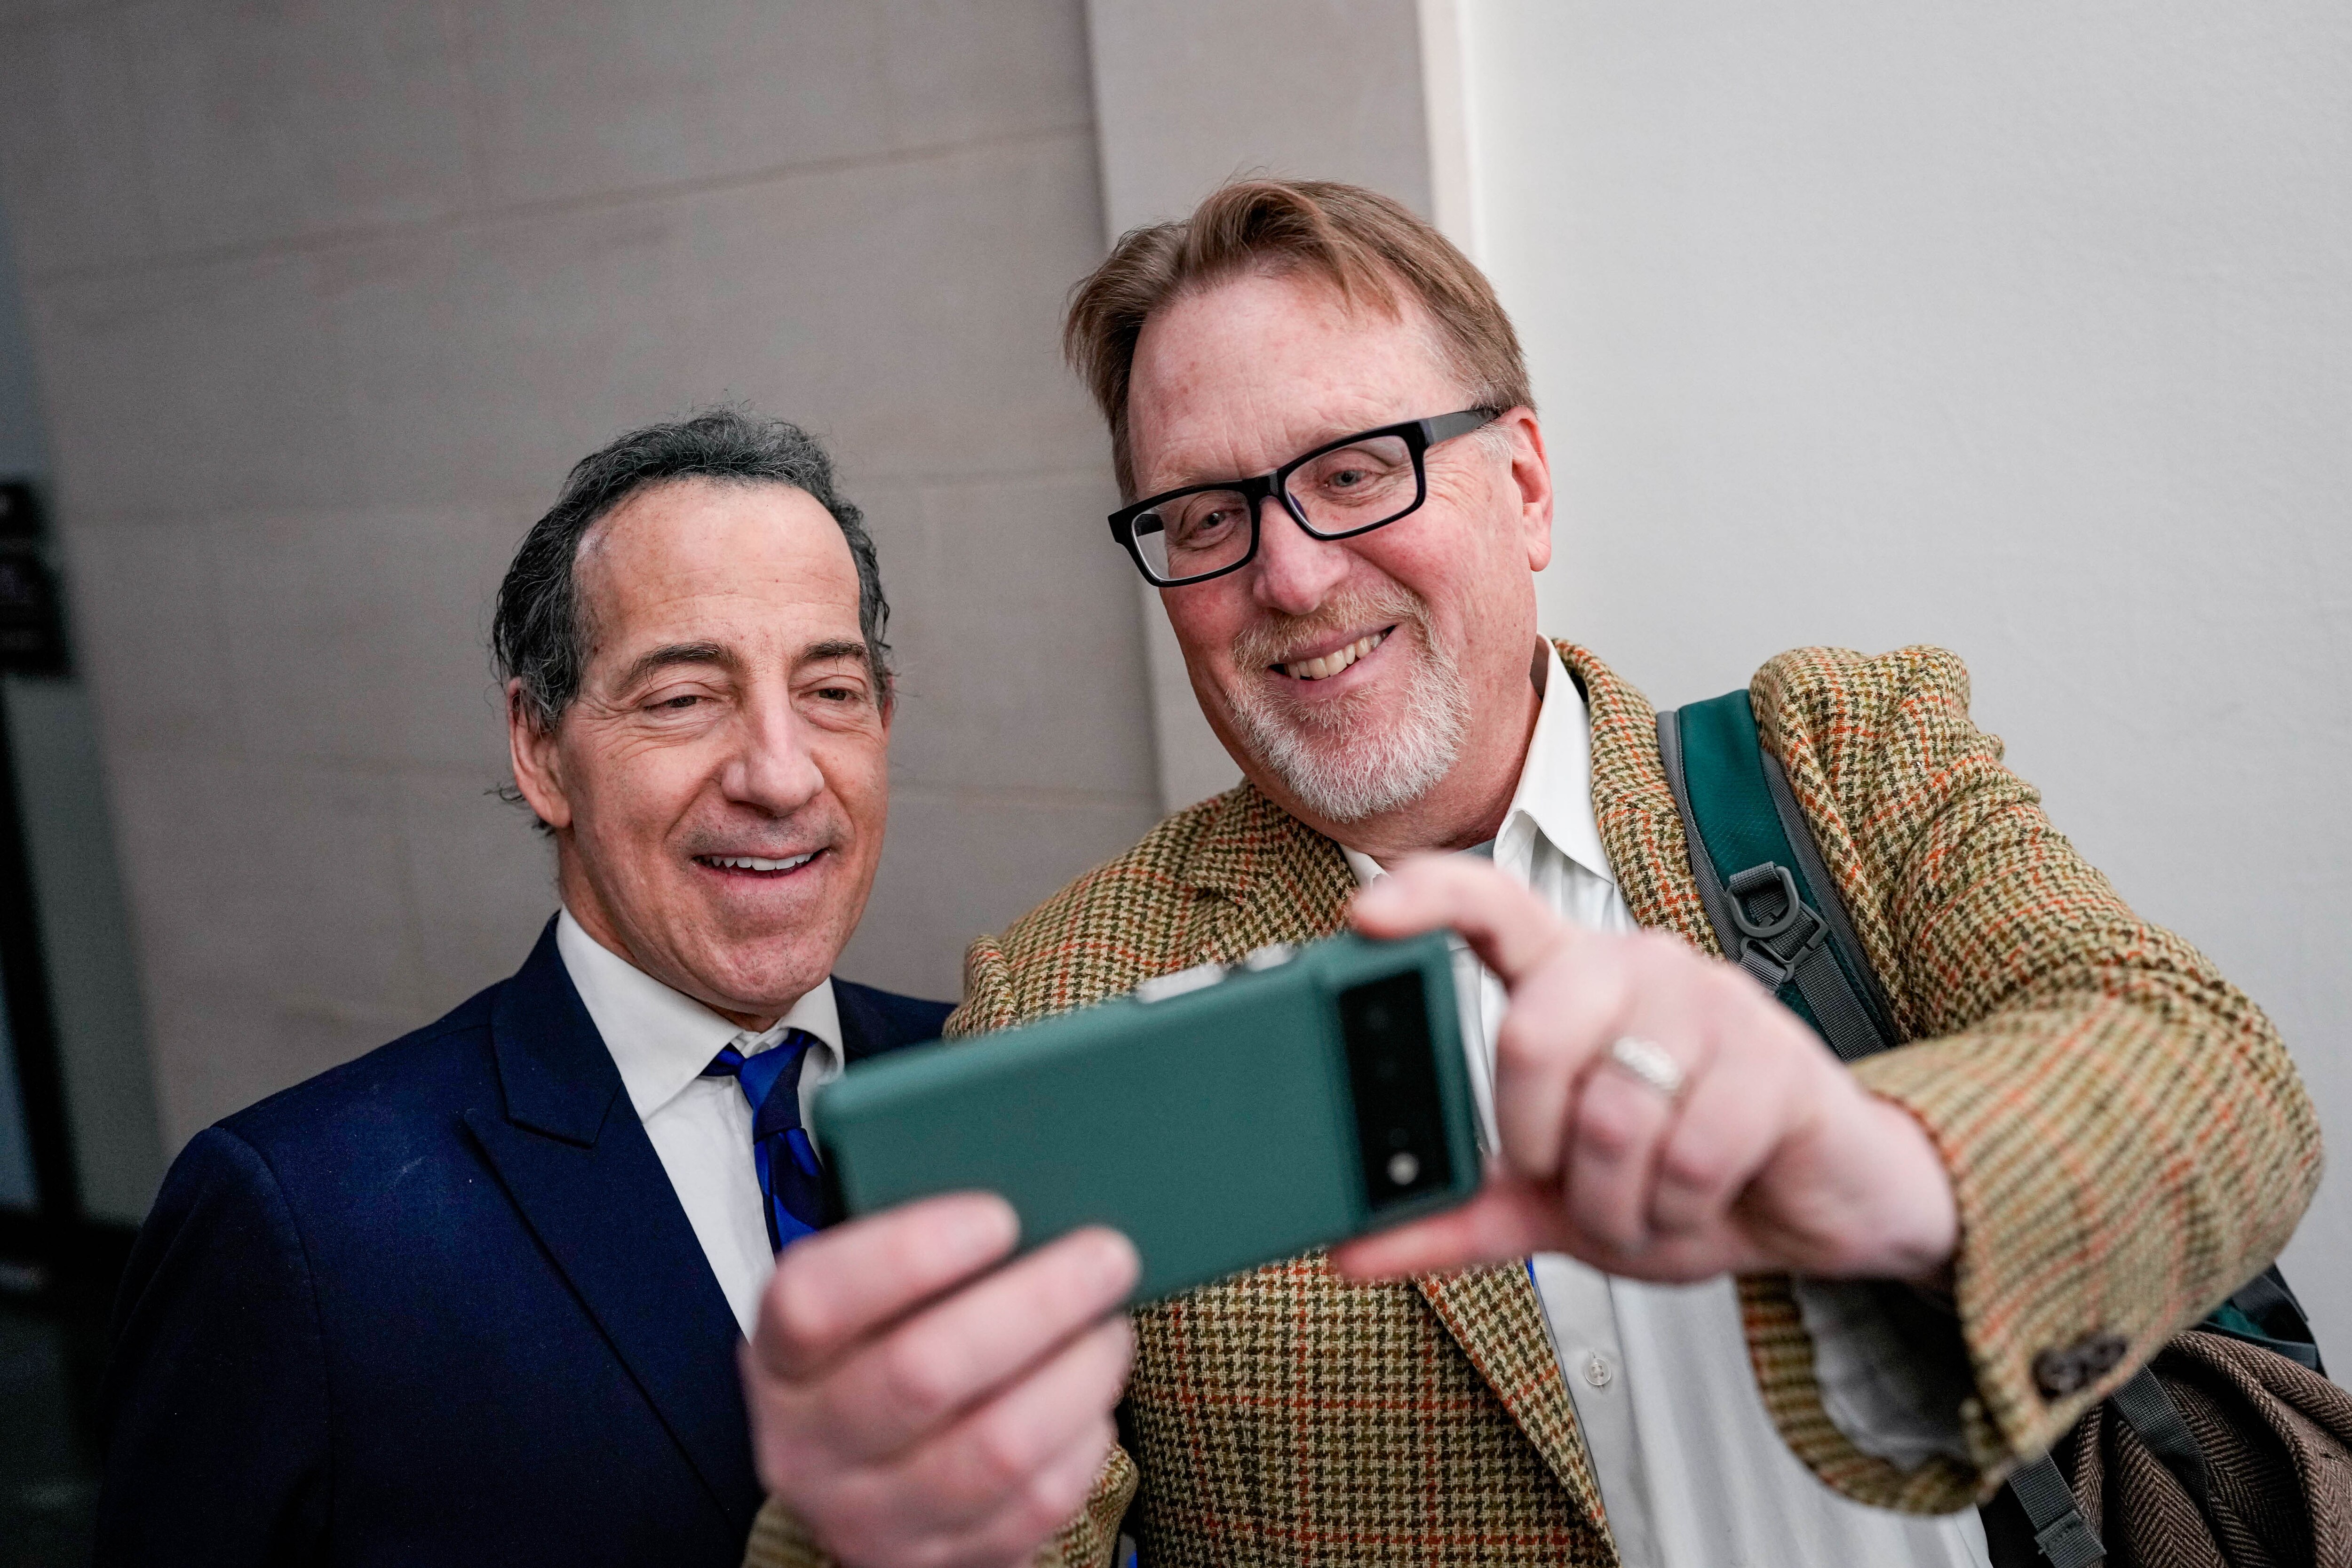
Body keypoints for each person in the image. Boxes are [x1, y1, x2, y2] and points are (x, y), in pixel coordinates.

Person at [734, 183, 2323, 1568]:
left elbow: (2218, 1084)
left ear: (1529, 484)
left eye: (1355, 470)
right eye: (1204, 516)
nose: (1288, 574)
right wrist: (894, 1517)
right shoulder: (1063, 991)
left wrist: (1875, 1161)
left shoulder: (1842, 757)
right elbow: (1014, 1509)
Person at [95, 411, 952, 1567]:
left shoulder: (986, 1076)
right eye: (682, 696)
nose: (779, 772)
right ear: (540, 748)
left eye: (830, 690)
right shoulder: (301, 1221)